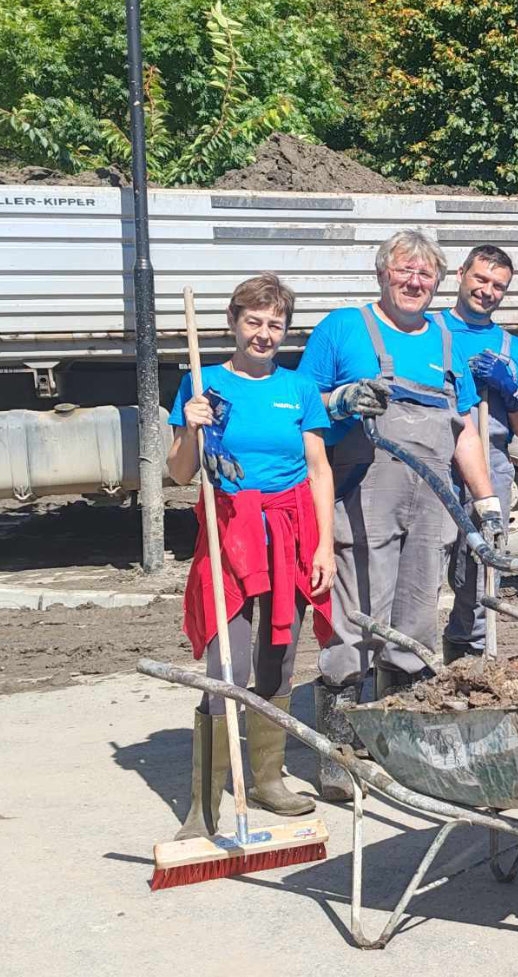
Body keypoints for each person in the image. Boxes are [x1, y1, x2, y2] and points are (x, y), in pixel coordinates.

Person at [299, 229, 502, 801]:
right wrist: (338, 402)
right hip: (365, 496)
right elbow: (303, 411)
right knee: (357, 617)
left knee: (415, 622)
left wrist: (485, 500)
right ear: (382, 273)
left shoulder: (446, 341)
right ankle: (340, 753)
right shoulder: (344, 328)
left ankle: (398, 748)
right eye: (403, 270)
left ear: (438, 283)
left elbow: (462, 431)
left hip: (431, 503)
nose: (414, 281)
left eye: (425, 274)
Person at [166, 273, 335, 837]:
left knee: (278, 659)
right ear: (234, 323)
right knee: (228, 664)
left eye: (275, 324)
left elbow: (319, 470)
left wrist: (325, 544)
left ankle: (266, 780)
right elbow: (180, 473)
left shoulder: (300, 388)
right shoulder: (202, 383)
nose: (264, 333)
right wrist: (190, 429)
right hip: (229, 532)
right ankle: (205, 805)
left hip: (290, 532)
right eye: (254, 321)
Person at [440, 245, 518, 660]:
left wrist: (511, 389)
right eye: (480, 279)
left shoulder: (511, 348)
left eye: (498, 286)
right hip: (437, 460)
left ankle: (470, 651)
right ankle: (406, 662)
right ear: (461, 274)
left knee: (483, 564)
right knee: (423, 563)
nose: (487, 291)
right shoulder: (429, 332)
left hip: (491, 459)